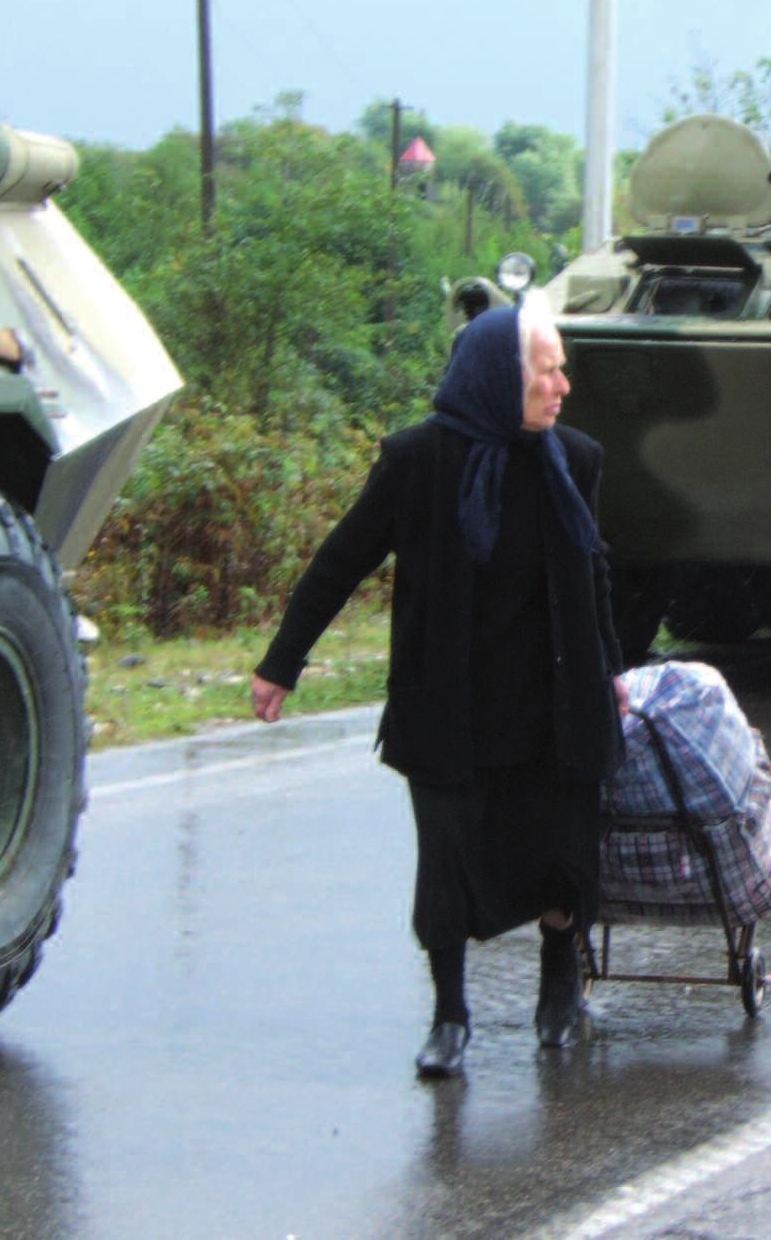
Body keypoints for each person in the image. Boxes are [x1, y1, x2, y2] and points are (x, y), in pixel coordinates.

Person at [250, 299, 627, 1080]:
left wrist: (613, 671)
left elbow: (593, 570)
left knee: (562, 849)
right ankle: (450, 1015)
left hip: (556, 699)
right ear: (496, 375)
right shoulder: (417, 461)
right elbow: (341, 559)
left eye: (561, 368)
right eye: (546, 369)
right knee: (449, 858)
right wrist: (282, 661)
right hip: (451, 702)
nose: (562, 385)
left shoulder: (576, 458)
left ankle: (561, 989)